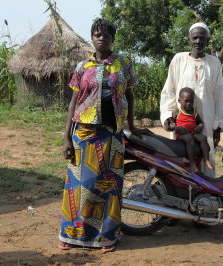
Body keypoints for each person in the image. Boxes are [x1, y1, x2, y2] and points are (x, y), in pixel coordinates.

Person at [58, 18, 151, 253]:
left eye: (106, 34)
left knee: (109, 187)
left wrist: (132, 125)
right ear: (92, 37)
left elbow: (129, 96)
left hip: (112, 134)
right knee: (79, 186)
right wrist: (67, 138)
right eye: (97, 34)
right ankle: (72, 235)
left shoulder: (124, 64)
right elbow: (73, 103)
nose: (101, 37)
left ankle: (106, 237)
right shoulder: (82, 67)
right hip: (84, 134)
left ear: (113, 38)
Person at [160, 22, 223, 177]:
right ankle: (180, 197)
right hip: (182, 124)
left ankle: (204, 199)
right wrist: (168, 116)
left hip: (207, 122)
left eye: (201, 38)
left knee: (206, 159)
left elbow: (219, 95)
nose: (198, 41)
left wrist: (218, 126)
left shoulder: (214, 63)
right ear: (189, 40)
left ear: (207, 40)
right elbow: (168, 91)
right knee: (181, 162)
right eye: (195, 37)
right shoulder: (179, 60)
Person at [164, 87, 214, 173]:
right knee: (189, 139)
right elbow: (171, 124)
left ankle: (206, 160)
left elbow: (200, 122)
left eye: (191, 101)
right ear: (179, 101)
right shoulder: (177, 112)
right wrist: (174, 126)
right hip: (182, 135)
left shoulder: (194, 111)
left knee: (203, 138)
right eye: (186, 101)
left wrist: (200, 126)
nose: (188, 104)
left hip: (193, 132)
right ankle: (192, 163)